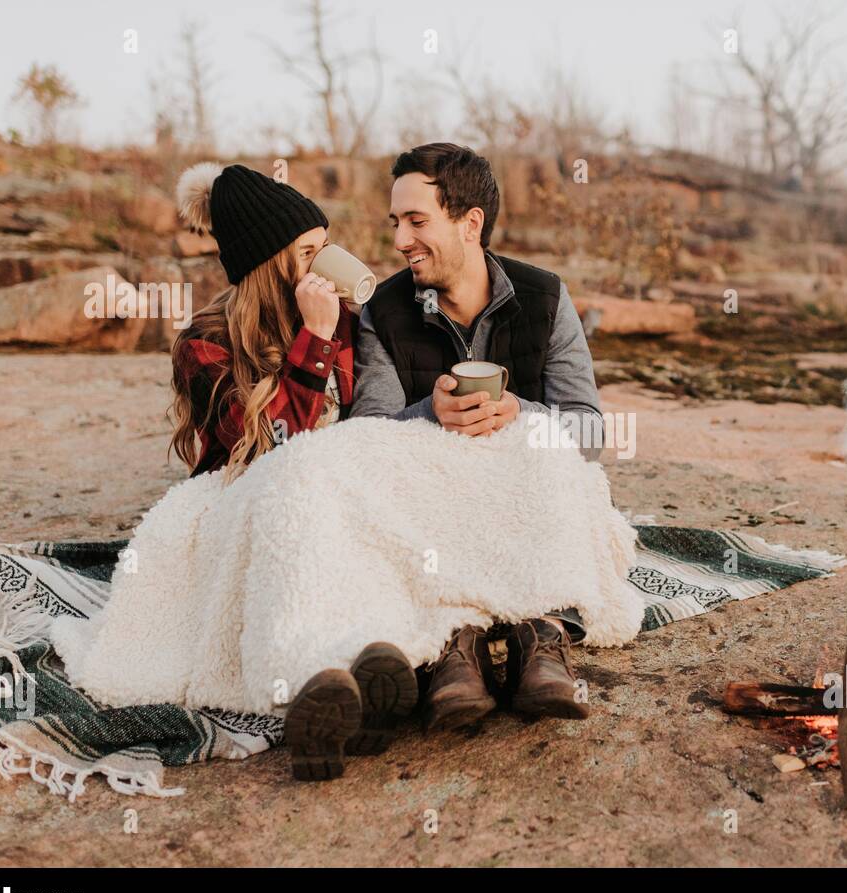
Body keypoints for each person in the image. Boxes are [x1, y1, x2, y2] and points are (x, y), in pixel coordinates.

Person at [168, 162, 418, 781]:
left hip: (335, 502)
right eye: (310, 252)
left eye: (326, 246)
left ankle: (358, 682)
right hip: (249, 504)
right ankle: (310, 686)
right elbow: (274, 445)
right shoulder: (204, 342)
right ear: (270, 262)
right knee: (296, 490)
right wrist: (314, 339)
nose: (325, 262)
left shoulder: (354, 323)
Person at [349, 143, 604, 732]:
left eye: (417, 221)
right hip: (433, 508)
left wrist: (520, 413)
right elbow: (365, 441)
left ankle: (542, 636)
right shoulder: (383, 311)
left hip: (525, 501)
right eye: (396, 223)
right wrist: (428, 414)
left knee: (545, 441)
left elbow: (590, 432)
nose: (399, 241)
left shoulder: (545, 298)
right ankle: (451, 645)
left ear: (470, 224)